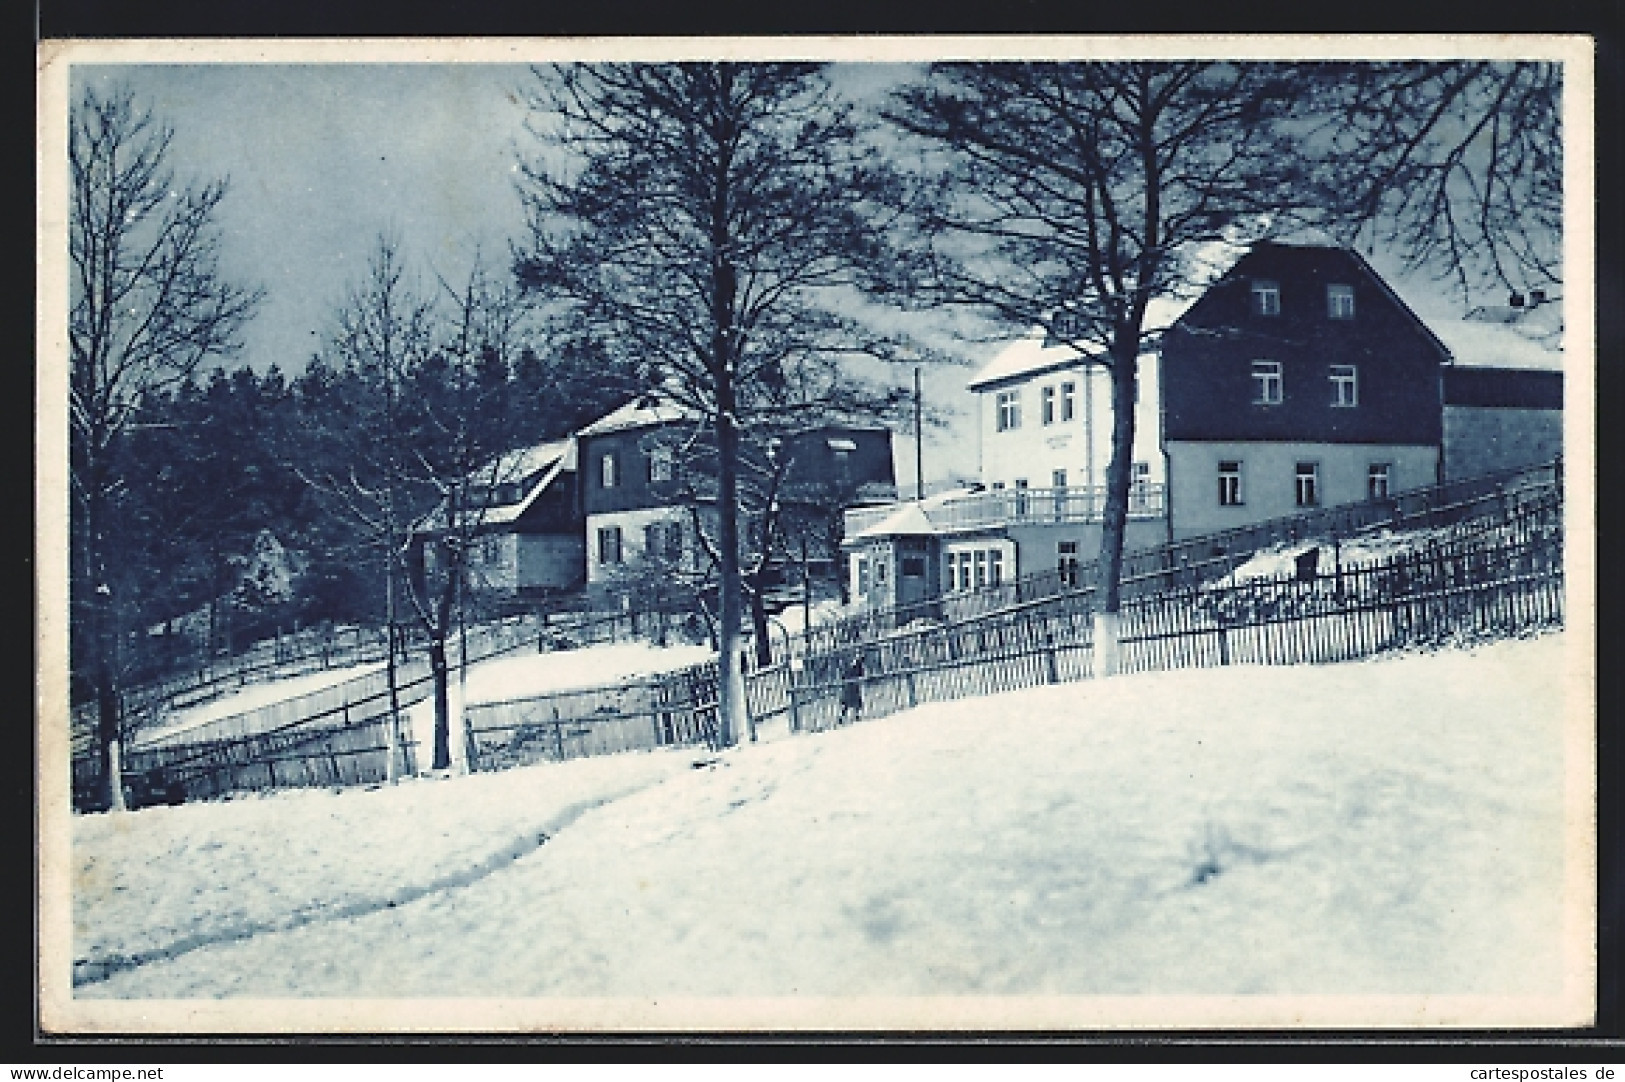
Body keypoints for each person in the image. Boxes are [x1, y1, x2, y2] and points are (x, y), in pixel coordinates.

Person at [839, 650, 865, 725]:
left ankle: (856, 715)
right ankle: (843, 716)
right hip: (849, 683)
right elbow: (843, 673)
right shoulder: (846, 661)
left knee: (855, 699)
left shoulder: (859, 663)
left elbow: (861, 673)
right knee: (847, 700)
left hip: (854, 683)